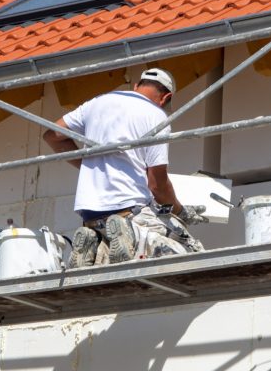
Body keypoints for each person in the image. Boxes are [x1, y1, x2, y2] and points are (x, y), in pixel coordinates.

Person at [43, 68, 207, 268]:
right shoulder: (156, 116)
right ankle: (132, 235)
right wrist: (180, 211)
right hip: (128, 211)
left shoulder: (97, 102)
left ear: (136, 86)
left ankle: (93, 243)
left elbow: (52, 136)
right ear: (166, 98)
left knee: (108, 258)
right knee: (187, 250)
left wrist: (87, 165)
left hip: (90, 215)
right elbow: (157, 185)